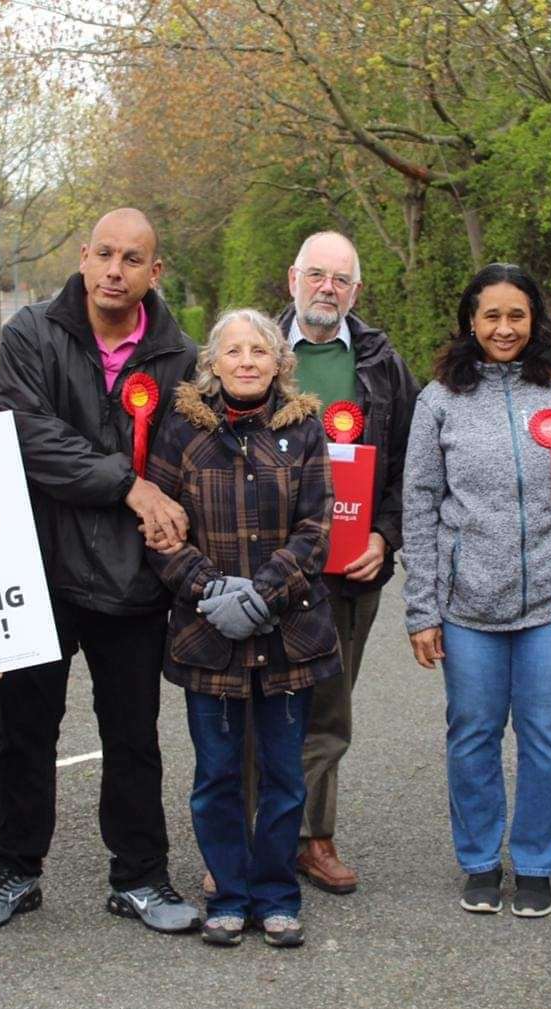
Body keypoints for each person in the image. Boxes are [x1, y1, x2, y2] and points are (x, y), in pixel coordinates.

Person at [0, 208, 201, 934]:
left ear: (153, 273)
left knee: (132, 735)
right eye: (104, 254)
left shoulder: (180, 357)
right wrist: (129, 485)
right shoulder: (30, 334)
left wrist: (152, 494)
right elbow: (29, 437)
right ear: (83, 255)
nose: (114, 270)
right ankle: (12, 869)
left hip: (132, 578)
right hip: (40, 564)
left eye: (132, 259)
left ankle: (140, 876)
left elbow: (178, 457)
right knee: (26, 731)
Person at [403, 263, 551, 919]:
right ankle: (477, 860)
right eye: (491, 316)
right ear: (470, 321)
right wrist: (422, 608)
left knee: (549, 733)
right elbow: (418, 504)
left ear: (535, 320)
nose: (504, 328)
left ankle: (534, 862)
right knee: (472, 733)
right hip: (469, 606)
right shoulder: (438, 400)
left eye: (516, 315)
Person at [143, 309, 339, 947]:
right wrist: (207, 588)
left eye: (259, 349)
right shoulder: (182, 430)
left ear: (279, 361)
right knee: (218, 776)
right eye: (234, 350)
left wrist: (266, 591)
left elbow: (316, 528)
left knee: (284, 776)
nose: (247, 360)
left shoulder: (304, 428)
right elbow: (160, 528)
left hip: (289, 637)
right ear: (214, 362)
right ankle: (229, 894)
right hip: (209, 639)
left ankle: (277, 894)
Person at [278, 231, 418, 895]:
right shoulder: (252, 349)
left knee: (328, 713)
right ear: (292, 280)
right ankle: (256, 835)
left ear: (355, 292)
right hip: (267, 568)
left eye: (340, 279)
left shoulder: (384, 365)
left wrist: (386, 537)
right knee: (253, 705)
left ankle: (313, 836)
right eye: (316, 275)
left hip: (349, 572)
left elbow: (412, 465)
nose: (326, 288)